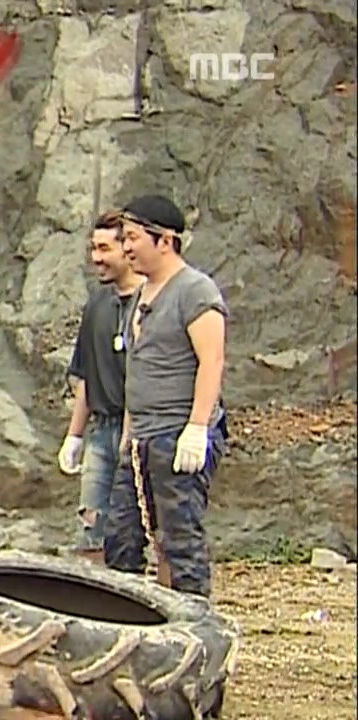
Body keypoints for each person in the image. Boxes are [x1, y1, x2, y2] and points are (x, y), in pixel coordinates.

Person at [103, 194, 229, 598]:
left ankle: (195, 622)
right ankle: (126, 621)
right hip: (141, 436)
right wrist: (128, 436)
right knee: (121, 538)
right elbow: (136, 371)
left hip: (176, 434)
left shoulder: (195, 291)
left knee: (180, 540)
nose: (126, 247)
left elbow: (212, 360)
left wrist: (197, 428)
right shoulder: (140, 296)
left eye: (133, 238)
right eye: (123, 238)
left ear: (164, 240)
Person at [58, 209, 143, 562]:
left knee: (132, 529)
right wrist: (74, 436)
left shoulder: (150, 303)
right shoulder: (97, 303)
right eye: (93, 248)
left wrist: (130, 434)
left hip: (140, 430)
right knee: (91, 526)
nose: (96, 258)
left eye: (105, 249)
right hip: (102, 431)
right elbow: (87, 376)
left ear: (127, 249)